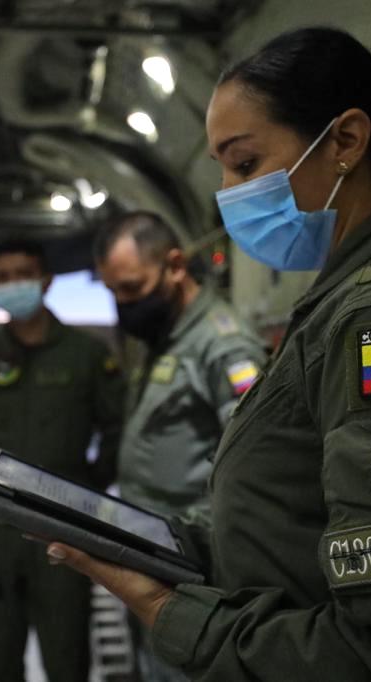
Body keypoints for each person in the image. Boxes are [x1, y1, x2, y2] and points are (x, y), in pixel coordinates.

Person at [46, 27, 371, 681]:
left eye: (244, 164)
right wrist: (170, 543)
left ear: (346, 142)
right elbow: (297, 521)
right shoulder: (339, 301)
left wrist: (170, 612)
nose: (228, 192)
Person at [94, 211, 267, 681]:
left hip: (195, 569)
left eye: (131, 288)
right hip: (155, 554)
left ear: (174, 265)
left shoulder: (222, 346)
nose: (123, 305)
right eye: (112, 293)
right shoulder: (166, 336)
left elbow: (255, 472)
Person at [0, 239, 125, 682]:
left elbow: (116, 425)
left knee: (67, 652)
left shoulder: (86, 354)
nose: (12, 285)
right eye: (2, 277)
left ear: (45, 280)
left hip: (63, 527)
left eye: (22, 274)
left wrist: (89, 485)